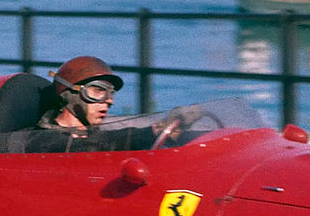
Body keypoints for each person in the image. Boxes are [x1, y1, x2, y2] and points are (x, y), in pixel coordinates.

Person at [26, 55, 200, 153]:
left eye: (110, 93)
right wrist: (156, 130)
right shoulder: (44, 141)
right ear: (70, 94)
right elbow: (98, 144)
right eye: (98, 91)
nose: (109, 100)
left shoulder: (93, 132)